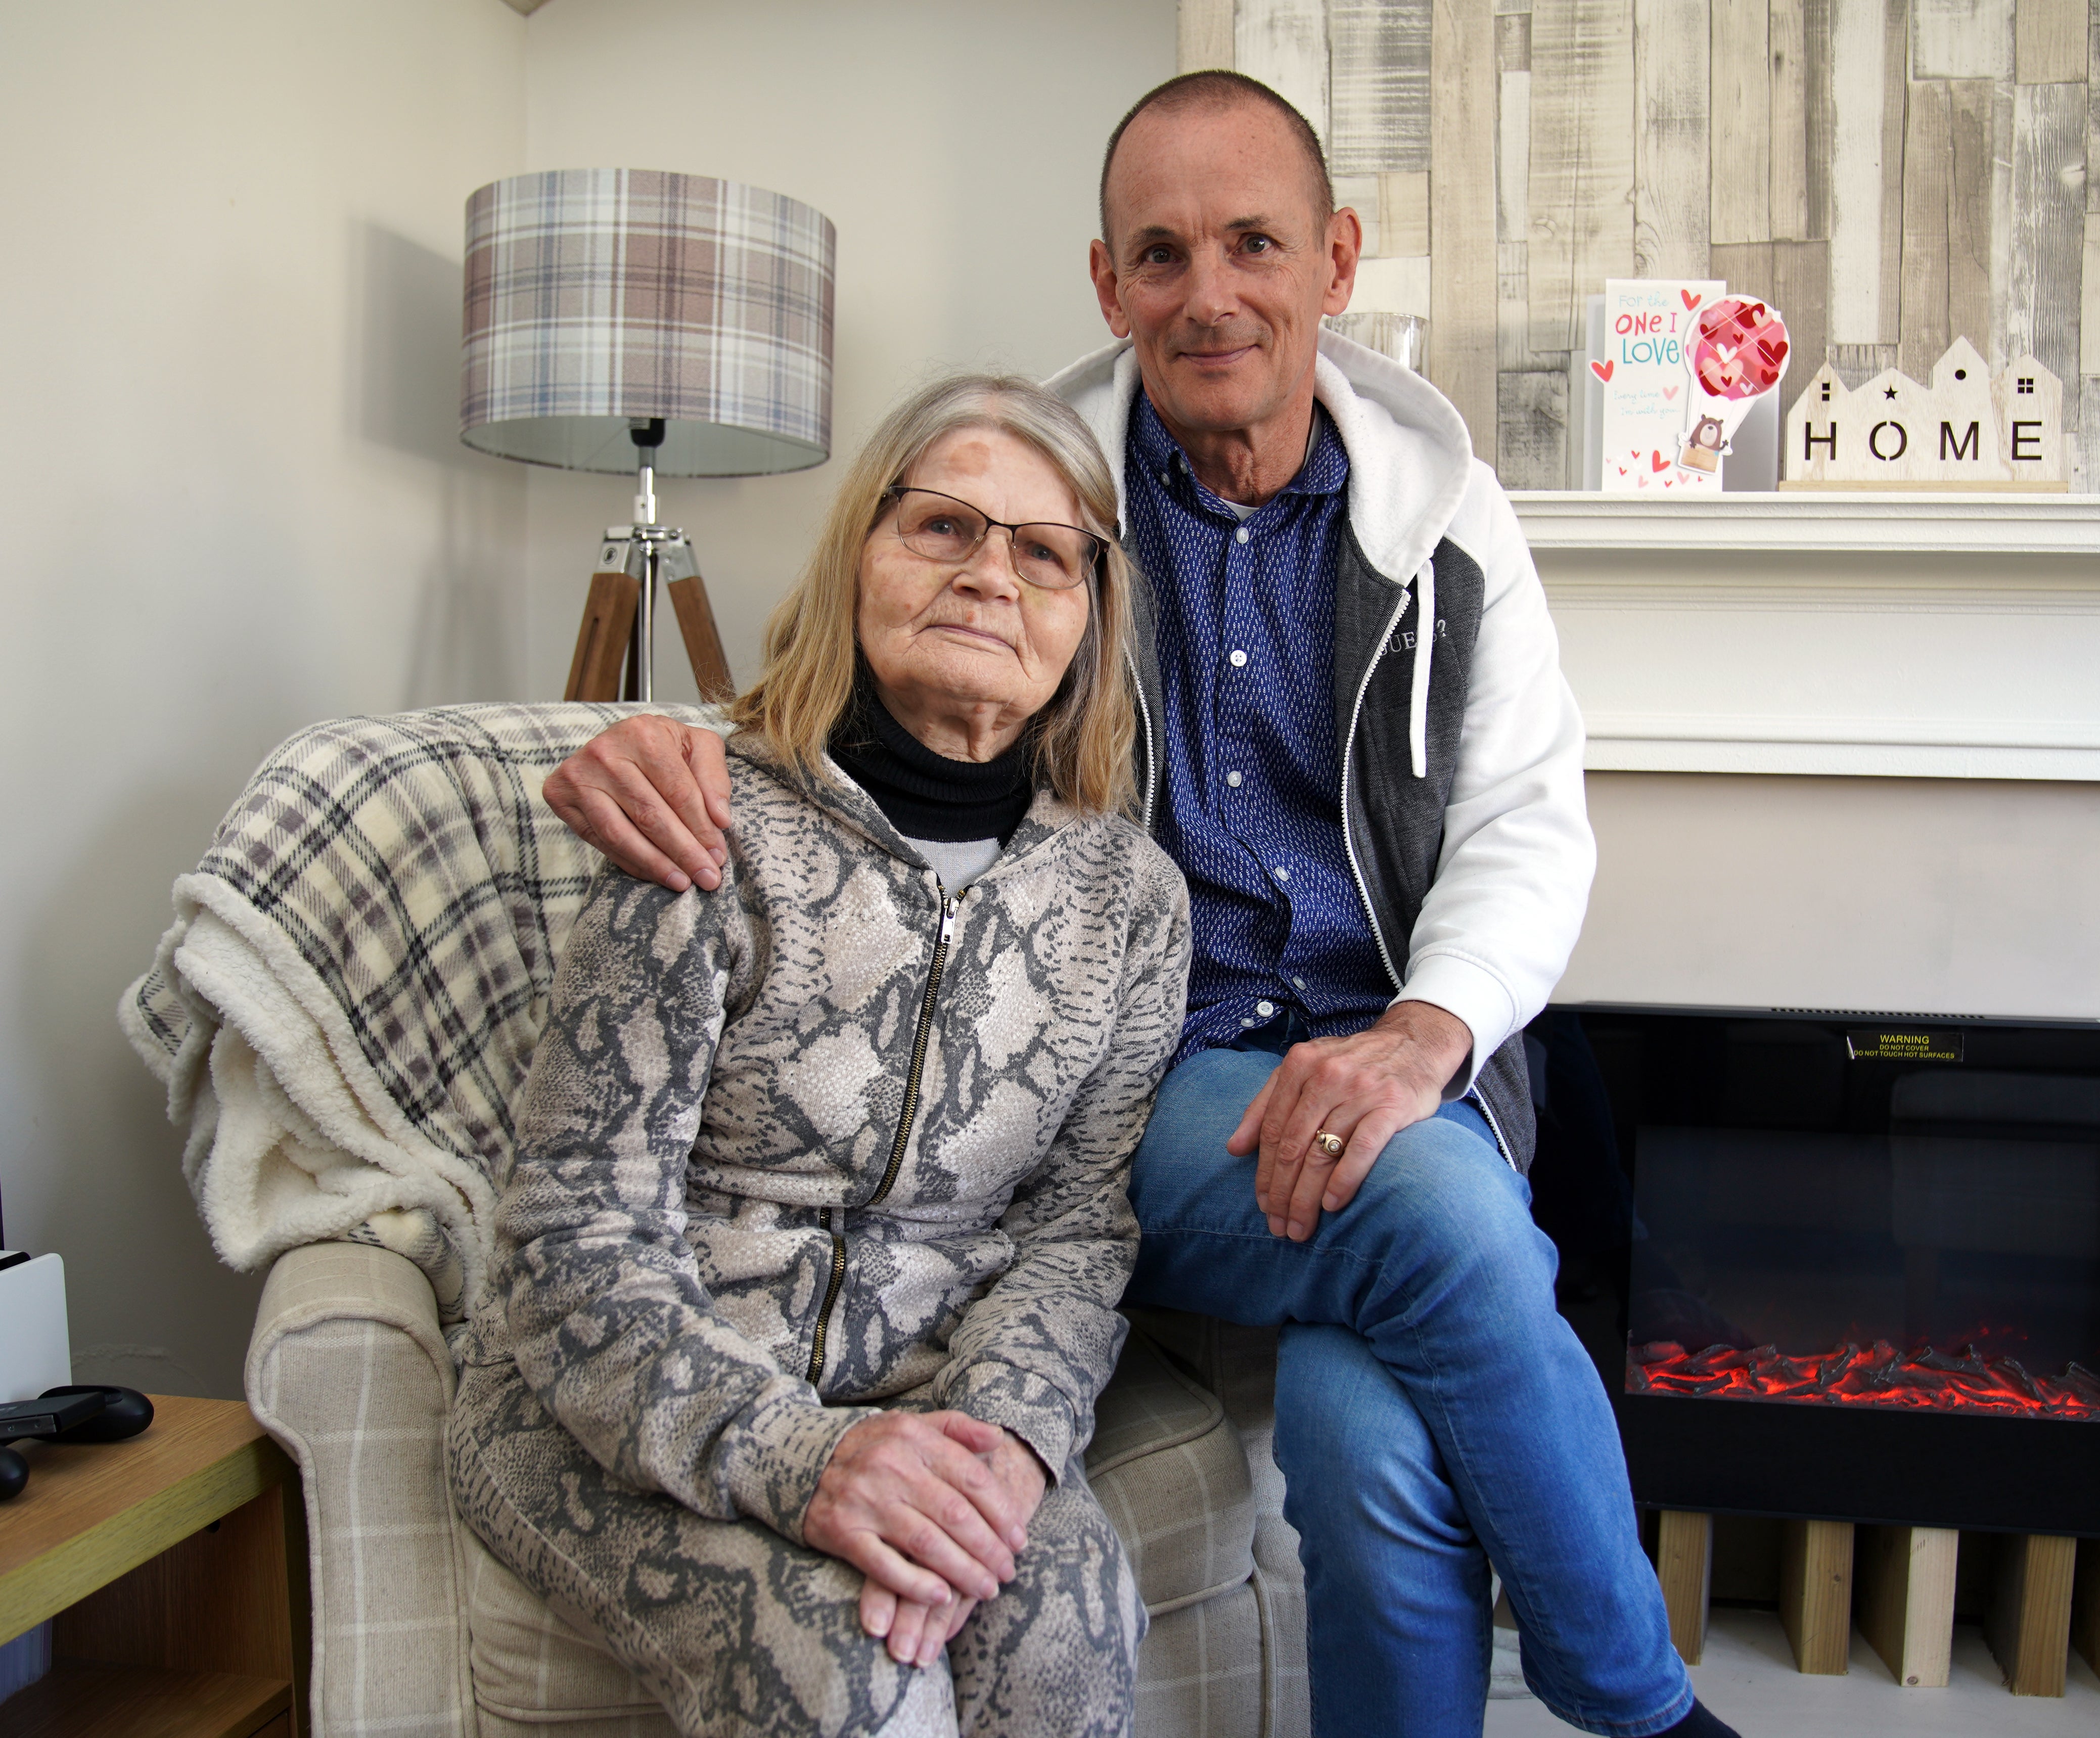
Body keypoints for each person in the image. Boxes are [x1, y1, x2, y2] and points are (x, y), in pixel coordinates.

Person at [540, 73, 1736, 1738]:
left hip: (1385, 1058)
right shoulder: (1055, 510)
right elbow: (874, 688)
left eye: (1254, 242)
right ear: (1108, 286)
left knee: (1368, 1433)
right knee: (1450, 1226)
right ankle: (1645, 1714)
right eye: (1158, 254)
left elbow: (1531, 824)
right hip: (1145, 1086)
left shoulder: (1451, 522)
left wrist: (1416, 1040)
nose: (1209, 293)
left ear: (1335, 257)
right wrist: (635, 742)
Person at [449, 375, 1189, 1738]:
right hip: (619, 1415)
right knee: (854, 1669)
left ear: (1090, 618)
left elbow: (1079, 1233)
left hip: (932, 1403)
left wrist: (1005, 1450)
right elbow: (570, 1241)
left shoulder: (1130, 901)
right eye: (942, 528)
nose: (989, 577)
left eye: (1043, 554)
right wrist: (810, 1460)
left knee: (1067, 1616)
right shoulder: (698, 823)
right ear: (859, 551)